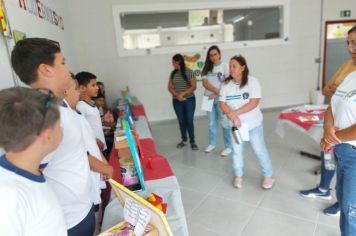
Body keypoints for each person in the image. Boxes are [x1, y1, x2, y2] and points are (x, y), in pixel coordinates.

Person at [11, 38, 95, 236]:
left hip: (82, 207)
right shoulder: (40, 117)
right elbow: (28, 173)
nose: (68, 68)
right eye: (63, 62)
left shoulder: (62, 105)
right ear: (46, 70)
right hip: (66, 221)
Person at [300, 26, 356, 217]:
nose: (350, 47)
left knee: (351, 212)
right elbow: (330, 95)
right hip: (340, 144)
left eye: (354, 42)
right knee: (343, 192)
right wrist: (327, 129)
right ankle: (325, 189)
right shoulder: (349, 71)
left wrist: (332, 137)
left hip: (349, 145)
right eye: (348, 43)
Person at [0, 87, 67, 236]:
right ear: (48, 136)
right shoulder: (10, 197)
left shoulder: (24, 175)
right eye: (59, 125)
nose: (62, 128)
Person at [64, 78, 113, 235]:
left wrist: (104, 162)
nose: (78, 92)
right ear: (65, 91)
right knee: (93, 211)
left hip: (94, 168)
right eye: (76, 88)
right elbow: (82, 153)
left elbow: (90, 141)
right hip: (85, 178)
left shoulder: (76, 113)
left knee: (96, 213)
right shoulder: (67, 117)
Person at [219, 55, 274, 189]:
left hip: (253, 124)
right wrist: (233, 118)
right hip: (236, 126)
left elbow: (254, 103)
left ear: (242, 68)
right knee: (237, 151)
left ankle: (268, 175)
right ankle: (238, 175)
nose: (231, 69)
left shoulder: (252, 82)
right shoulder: (226, 85)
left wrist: (235, 113)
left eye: (234, 66)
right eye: (230, 66)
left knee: (259, 149)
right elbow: (222, 104)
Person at [201, 45, 232, 156]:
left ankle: (228, 147)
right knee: (211, 123)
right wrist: (215, 91)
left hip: (220, 99)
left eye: (215, 54)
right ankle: (212, 144)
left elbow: (228, 83)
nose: (213, 57)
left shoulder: (225, 66)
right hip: (207, 98)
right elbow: (205, 83)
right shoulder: (206, 68)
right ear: (208, 57)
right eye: (211, 55)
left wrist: (216, 94)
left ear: (219, 54)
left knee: (224, 122)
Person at [168, 54, 199, 150]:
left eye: (174, 63)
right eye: (173, 62)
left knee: (189, 121)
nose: (173, 64)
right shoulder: (173, 74)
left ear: (179, 62)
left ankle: (192, 142)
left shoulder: (189, 72)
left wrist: (183, 94)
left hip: (189, 100)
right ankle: (184, 140)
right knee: (181, 121)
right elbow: (169, 87)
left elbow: (194, 86)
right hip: (177, 101)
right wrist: (177, 95)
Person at [75, 71, 107, 152]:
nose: (97, 88)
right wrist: (97, 142)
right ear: (82, 88)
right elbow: (82, 131)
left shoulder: (91, 103)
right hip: (95, 147)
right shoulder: (81, 106)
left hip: (100, 146)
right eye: (93, 85)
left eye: (96, 85)